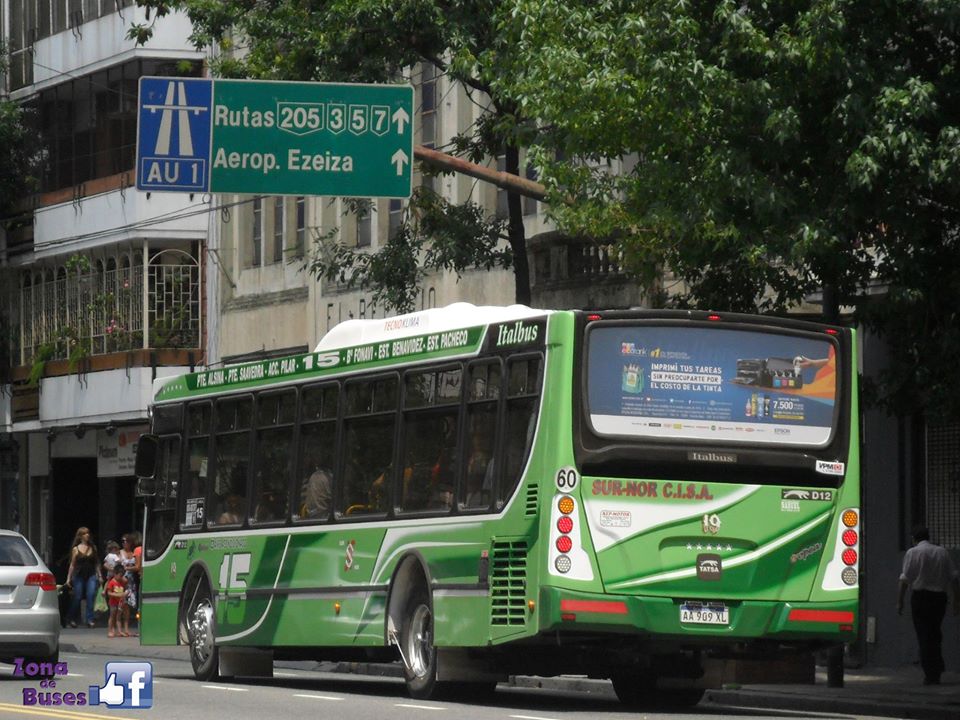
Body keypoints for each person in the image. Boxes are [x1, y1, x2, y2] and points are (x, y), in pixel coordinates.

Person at [897, 525, 960, 685]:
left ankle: (930, 673)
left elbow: (904, 580)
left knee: (923, 635)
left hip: (920, 598)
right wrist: (956, 600)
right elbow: (953, 578)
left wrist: (900, 601)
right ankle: (937, 668)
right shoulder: (942, 552)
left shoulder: (913, 553)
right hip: (939, 598)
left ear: (914, 538)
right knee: (935, 633)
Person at [65, 526, 103, 628]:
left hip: (91, 575)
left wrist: (99, 575)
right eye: (85, 534)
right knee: (77, 596)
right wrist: (68, 578)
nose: (87, 535)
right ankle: (71, 618)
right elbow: (72, 564)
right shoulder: (76, 549)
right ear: (80, 536)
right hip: (79, 575)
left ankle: (89, 619)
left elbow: (96, 563)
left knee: (90, 596)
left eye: (88, 533)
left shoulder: (93, 548)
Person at [104, 563, 127, 638]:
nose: (121, 577)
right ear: (115, 574)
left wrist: (125, 594)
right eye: (120, 576)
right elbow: (109, 593)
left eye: (122, 576)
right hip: (113, 603)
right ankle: (110, 630)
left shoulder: (122, 582)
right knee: (112, 616)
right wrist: (117, 595)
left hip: (120, 603)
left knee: (118, 617)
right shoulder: (112, 582)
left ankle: (119, 631)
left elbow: (124, 589)